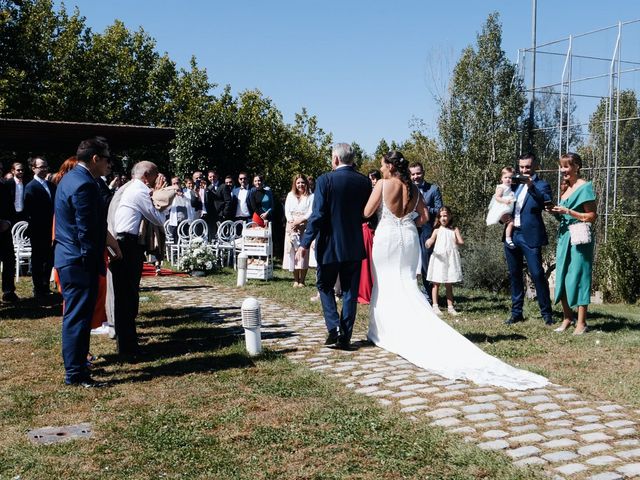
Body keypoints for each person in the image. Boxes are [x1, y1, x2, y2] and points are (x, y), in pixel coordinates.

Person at [365, 151, 548, 390]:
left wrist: (388, 215)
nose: (381, 169)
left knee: (387, 283)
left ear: (390, 166)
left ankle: (386, 331)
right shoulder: (413, 188)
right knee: (407, 282)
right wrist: (405, 219)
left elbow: (367, 212)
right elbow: (423, 218)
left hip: (388, 236)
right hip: (408, 237)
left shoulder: (383, 184)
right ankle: (406, 326)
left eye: (382, 165)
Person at [296, 143, 371, 350]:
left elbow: (318, 214)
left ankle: (333, 328)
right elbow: (368, 213)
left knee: (324, 286)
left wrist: (305, 242)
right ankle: (345, 336)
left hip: (329, 244)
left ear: (336, 159)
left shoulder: (325, 180)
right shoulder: (364, 182)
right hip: (354, 244)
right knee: (349, 291)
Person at [54, 137, 112, 387]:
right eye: (107, 158)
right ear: (96, 158)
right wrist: (93, 262)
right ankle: (76, 373)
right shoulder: (84, 184)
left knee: (76, 316)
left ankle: (78, 368)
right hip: (79, 260)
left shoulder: (70, 179)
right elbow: (86, 230)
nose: (110, 163)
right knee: (78, 317)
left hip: (69, 257)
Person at [110, 161, 169, 359]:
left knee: (126, 296)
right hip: (127, 245)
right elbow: (157, 219)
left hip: (126, 243)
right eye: (155, 176)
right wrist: (161, 197)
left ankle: (127, 343)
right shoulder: (139, 191)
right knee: (127, 297)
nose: (156, 180)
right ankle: (128, 348)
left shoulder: (132, 188)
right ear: (146, 176)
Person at [502, 153, 554, 326]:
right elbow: (504, 202)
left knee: (538, 274)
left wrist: (531, 186)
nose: (524, 170)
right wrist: (502, 216)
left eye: (528, 167)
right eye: (522, 167)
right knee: (515, 275)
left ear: (535, 166)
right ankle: (516, 313)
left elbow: (545, 203)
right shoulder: (514, 184)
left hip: (530, 235)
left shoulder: (542, 185)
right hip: (512, 234)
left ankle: (547, 314)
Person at [550, 152, 597, 335]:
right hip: (564, 237)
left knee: (579, 276)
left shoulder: (585, 187)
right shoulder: (565, 188)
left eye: (566, 166)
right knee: (562, 275)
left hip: (579, 237)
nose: (563, 170)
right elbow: (564, 214)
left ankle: (582, 323)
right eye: (561, 166)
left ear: (577, 166)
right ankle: (567, 318)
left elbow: (592, 216)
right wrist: (555, 212)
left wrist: (569, 212)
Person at [409, 162, 442, 304]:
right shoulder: (406, 189)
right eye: (413, 174)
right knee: (409, 262)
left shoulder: (433, 189)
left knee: (426, 263)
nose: (415, 176)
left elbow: (440, 210)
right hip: (409, 229)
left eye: (418, 173)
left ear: (423, 172)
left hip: (426, 230)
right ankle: (411, 293)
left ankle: (430, 295)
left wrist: (423, 208)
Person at [23, 156, 56, 298]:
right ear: (33, 168)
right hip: (38, 228)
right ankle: (38, 287)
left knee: (49, 258)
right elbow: (29, 209)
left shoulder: (50, 185)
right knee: (38, 258)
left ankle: (45, 285)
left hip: (50, 227)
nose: (44, 169)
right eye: (41, 166)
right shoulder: (31, 187)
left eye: (45, 166)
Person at [426, 206, 464, 315]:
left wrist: (457, 240)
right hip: (439, 258)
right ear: (438, 218)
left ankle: (450, 307)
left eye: (445, 215)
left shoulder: (454, 229)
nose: (443, 218)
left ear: (450, 216)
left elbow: (461, 242)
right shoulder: (437, 230)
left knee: (449, 283)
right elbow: (431, 240)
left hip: (450, 259)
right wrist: (428, 243)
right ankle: (435, 306)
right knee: (436, 283)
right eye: (441, 216)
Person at [283, 174, 313, 287]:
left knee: (303, 251)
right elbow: (287, 210)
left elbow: (310, 212)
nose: (300, 185)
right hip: (291, 226)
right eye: (298, 183)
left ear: (306, 183)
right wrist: (292, 222)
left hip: (304, 225)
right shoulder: (290, 195)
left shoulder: (311, 196)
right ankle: (295, 279)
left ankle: (302, 280)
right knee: (292, 251)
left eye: (302, 182)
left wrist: (300, 221)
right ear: (295, 184)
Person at [358, 170, 381, 304]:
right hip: (368, 228)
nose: (373, 181)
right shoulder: (366, 193)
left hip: (379, 229)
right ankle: (365, 291)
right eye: (370, 179)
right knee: (366, 262)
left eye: (375, 178)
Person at [486, 167, 516, 248]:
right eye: (505, 177)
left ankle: (508, 237)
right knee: (511, 222)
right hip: (502, 207)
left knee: (511, 221)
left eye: (510, 177)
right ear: (501, 178)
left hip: (507, 206)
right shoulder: (501, 187)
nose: (508, 179)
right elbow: (497, 197)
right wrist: (504, 201)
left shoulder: (511, 187)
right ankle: (508, 238)